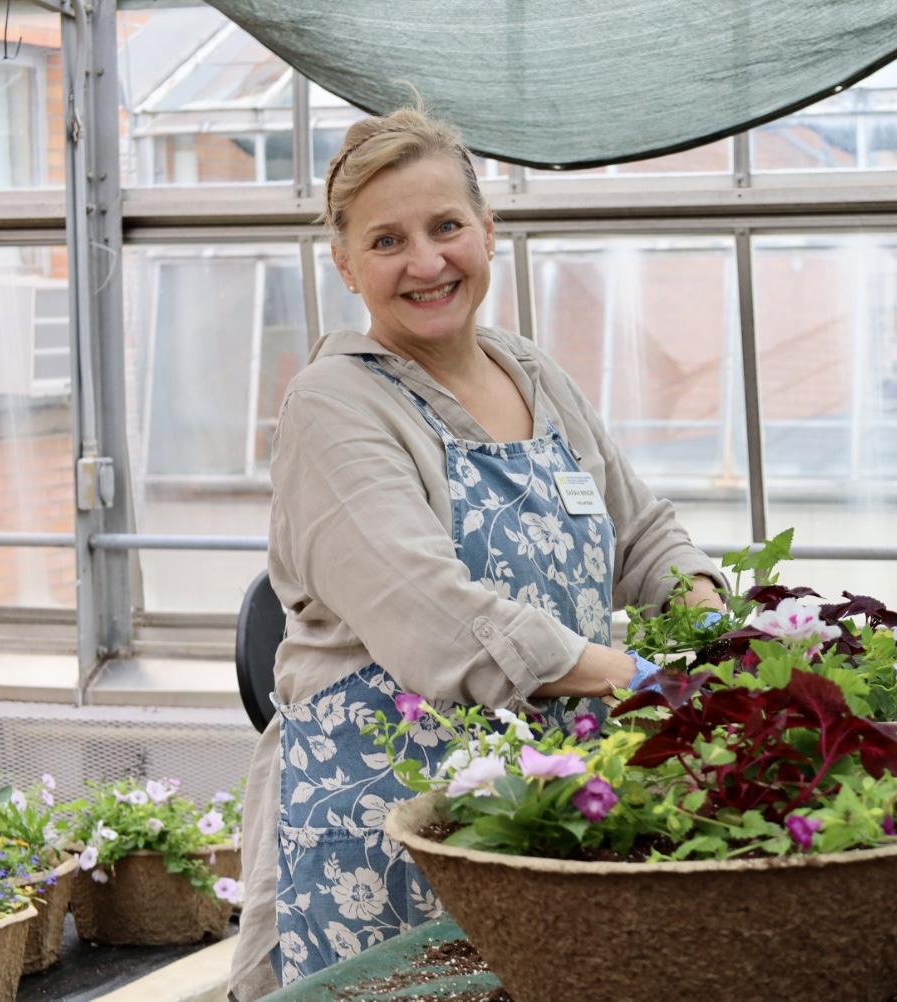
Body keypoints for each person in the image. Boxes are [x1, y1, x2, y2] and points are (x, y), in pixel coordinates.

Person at [228, 104, 724, 1000]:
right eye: (387, 241)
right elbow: (432, 616)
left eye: (446, 226)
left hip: (544, 807)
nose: (426, 262)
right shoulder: (334, 406)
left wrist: (716, 626)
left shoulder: (530, 372)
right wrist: (638, 678)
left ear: (488, 231)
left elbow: (640, 532)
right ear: (346, 265)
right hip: (391, 825)